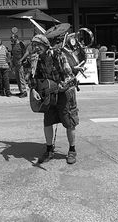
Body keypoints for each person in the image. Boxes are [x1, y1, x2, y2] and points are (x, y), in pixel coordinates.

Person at [29, 34, 82, 165]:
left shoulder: (58, 55)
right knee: (47, 121)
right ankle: (49, 149)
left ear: (46, 45)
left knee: (69, 121)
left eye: (38, 45)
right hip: (49, 94)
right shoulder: (37, 59)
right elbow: (33, 78)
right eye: (34, 45)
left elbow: (70, 76)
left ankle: (72, 150)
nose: (36, 48)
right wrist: (34, 89)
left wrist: (60, 86)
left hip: (64, 92)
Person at [10, 34, 28, 98]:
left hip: (20, 64)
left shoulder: (21, 44)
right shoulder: (13, 45)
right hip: (15, 64)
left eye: (12, 38)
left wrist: (22, 60)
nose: (11, 39)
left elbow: (26, 53)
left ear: (16, 38)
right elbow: (13, 55)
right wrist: (12, 64)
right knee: (17, 78)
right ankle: (21, 91)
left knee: (21, 78)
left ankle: (24, 92)